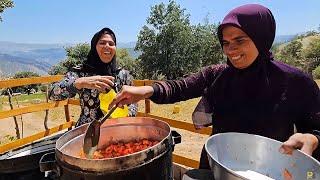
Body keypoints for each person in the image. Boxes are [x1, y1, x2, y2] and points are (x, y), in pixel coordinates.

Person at [109, 4, 320, 169]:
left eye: (239, 40)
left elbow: (316, 128)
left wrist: (312, 137)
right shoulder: (218, 75)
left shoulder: (295, 81)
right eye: (226, 43)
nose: (231, 50)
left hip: (269, 171)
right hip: (216, 167)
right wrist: (146, 91)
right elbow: (180, 87)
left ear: (261, 37)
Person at [49, 27, 137, 127]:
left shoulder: (123, 74)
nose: (107, 46)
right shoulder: (81, 72)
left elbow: (133, 101)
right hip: (87, 131)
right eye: (102, 43)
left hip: (116, 130)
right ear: (94, 46)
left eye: (111, 44)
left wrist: (128, 115)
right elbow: (52, 94)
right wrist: (79, 83)